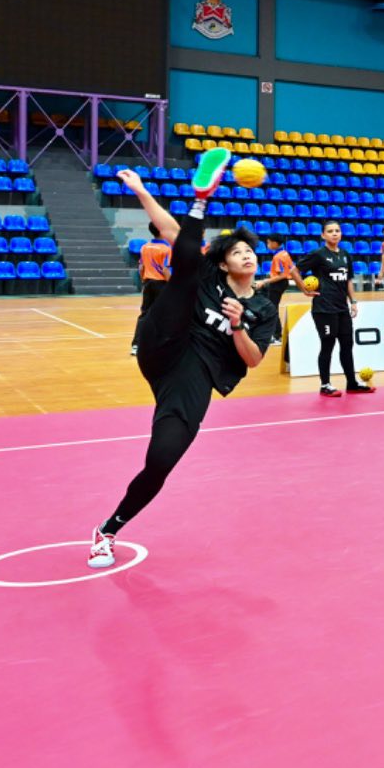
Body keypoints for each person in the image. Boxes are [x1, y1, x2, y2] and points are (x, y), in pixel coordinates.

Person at [87, 150, 279, 569]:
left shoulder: (262, 309)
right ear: (225, 261)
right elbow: (173, 232)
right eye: (238, 251)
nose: (247, 255)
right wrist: (140, 190)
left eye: (251, 251)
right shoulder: (210, 275)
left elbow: (253, 361)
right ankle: (201, 198)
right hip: (166, 339)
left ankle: (108, 529)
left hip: (194, 373)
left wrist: (238, 325)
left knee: (161, 460)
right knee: (186, 269)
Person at [297, 220, 375, 397]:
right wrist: (304, 289)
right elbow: (294, 270)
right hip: (324, 309)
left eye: (337, 230)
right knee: (327, 345)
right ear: (323, 235)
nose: (334, 233)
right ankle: (325, 385)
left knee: (347, 346)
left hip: (342, 308)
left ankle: (352, 384)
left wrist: (353, 301)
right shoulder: (318, 254)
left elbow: (348, 280)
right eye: (330, 231)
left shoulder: (346, 255)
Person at [130, 224, 173, 356]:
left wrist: (144, 280)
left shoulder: (145, 247)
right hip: (162, 284)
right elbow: (166, 270)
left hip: (148, 283)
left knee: (145, 314)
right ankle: (162, 344)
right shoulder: (167, 249)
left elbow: (141, 267)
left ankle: (136, 345)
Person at [258, 234, 297, 347]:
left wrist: (265, 281)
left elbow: (282, 275)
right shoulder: (285, 253)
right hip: (281, 284)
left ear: (275, 243)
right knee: (271, 307)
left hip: (278, 284)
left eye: (269, 242)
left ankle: (276, 336)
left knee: (272, 309)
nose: (267, 244)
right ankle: (274, 334)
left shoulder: (278, 257)